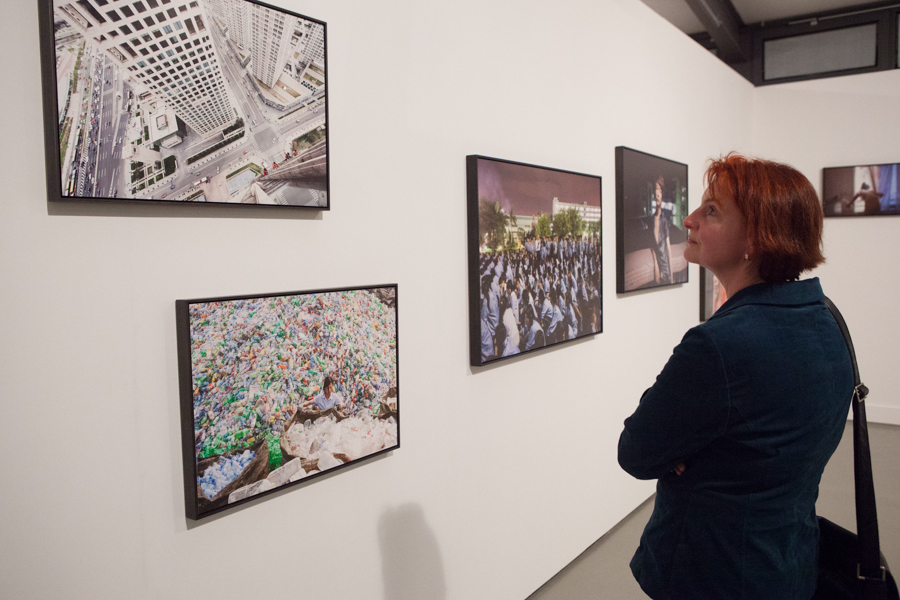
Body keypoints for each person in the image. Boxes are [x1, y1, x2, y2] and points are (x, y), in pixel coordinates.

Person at [618, 154, 853, 600]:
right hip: (789, 563)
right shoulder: (827, 321)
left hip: (713, 574)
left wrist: (688, 451)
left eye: (711, 211)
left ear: (757, 238)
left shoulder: (719, 346)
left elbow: (636, 451)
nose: (687, 220)